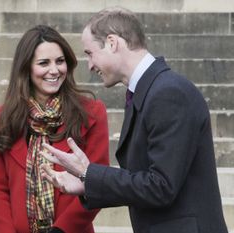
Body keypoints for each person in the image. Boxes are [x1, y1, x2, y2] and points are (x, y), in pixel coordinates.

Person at [41, 6, 228, 233]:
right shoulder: (150, 90)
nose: (89, 65)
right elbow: (145, 182)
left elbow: (161, 186)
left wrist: (89, 173)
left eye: (89, 53)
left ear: (112, 43)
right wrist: (86, 183)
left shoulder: (168, 93)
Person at [0, 25, 109, 233]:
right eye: (43, 63)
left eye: (60, 61)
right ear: (26, 68)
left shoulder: (92, 114)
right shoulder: (3, 118)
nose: (54, 70)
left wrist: (61, 230)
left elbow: (97, 185)